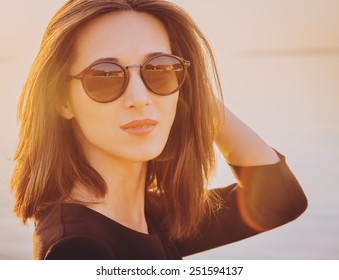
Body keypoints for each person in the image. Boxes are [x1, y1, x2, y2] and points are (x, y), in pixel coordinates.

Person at [10, 0, 307, 260]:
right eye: (105, 75)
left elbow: (279, 200)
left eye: (160, 70)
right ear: (62, 100)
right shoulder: (76, 249)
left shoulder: (147, 214)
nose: (140, 99)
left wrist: (192, 91)